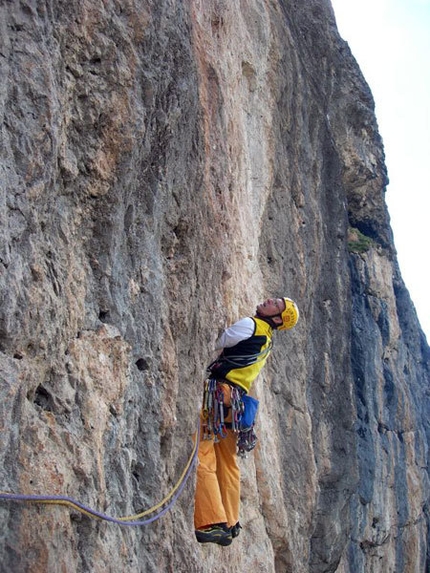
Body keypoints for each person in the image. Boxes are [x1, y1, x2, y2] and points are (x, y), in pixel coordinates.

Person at [194, 297, 299, 546]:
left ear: (276, 319)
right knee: (228, 462)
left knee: (204, 454)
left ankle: (212, 522)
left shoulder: (251, 325)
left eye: (276, 305)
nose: (270, 301)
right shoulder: (268, 340)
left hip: (218, 395)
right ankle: (230, 522)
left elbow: (219, 342)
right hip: (236, 402)